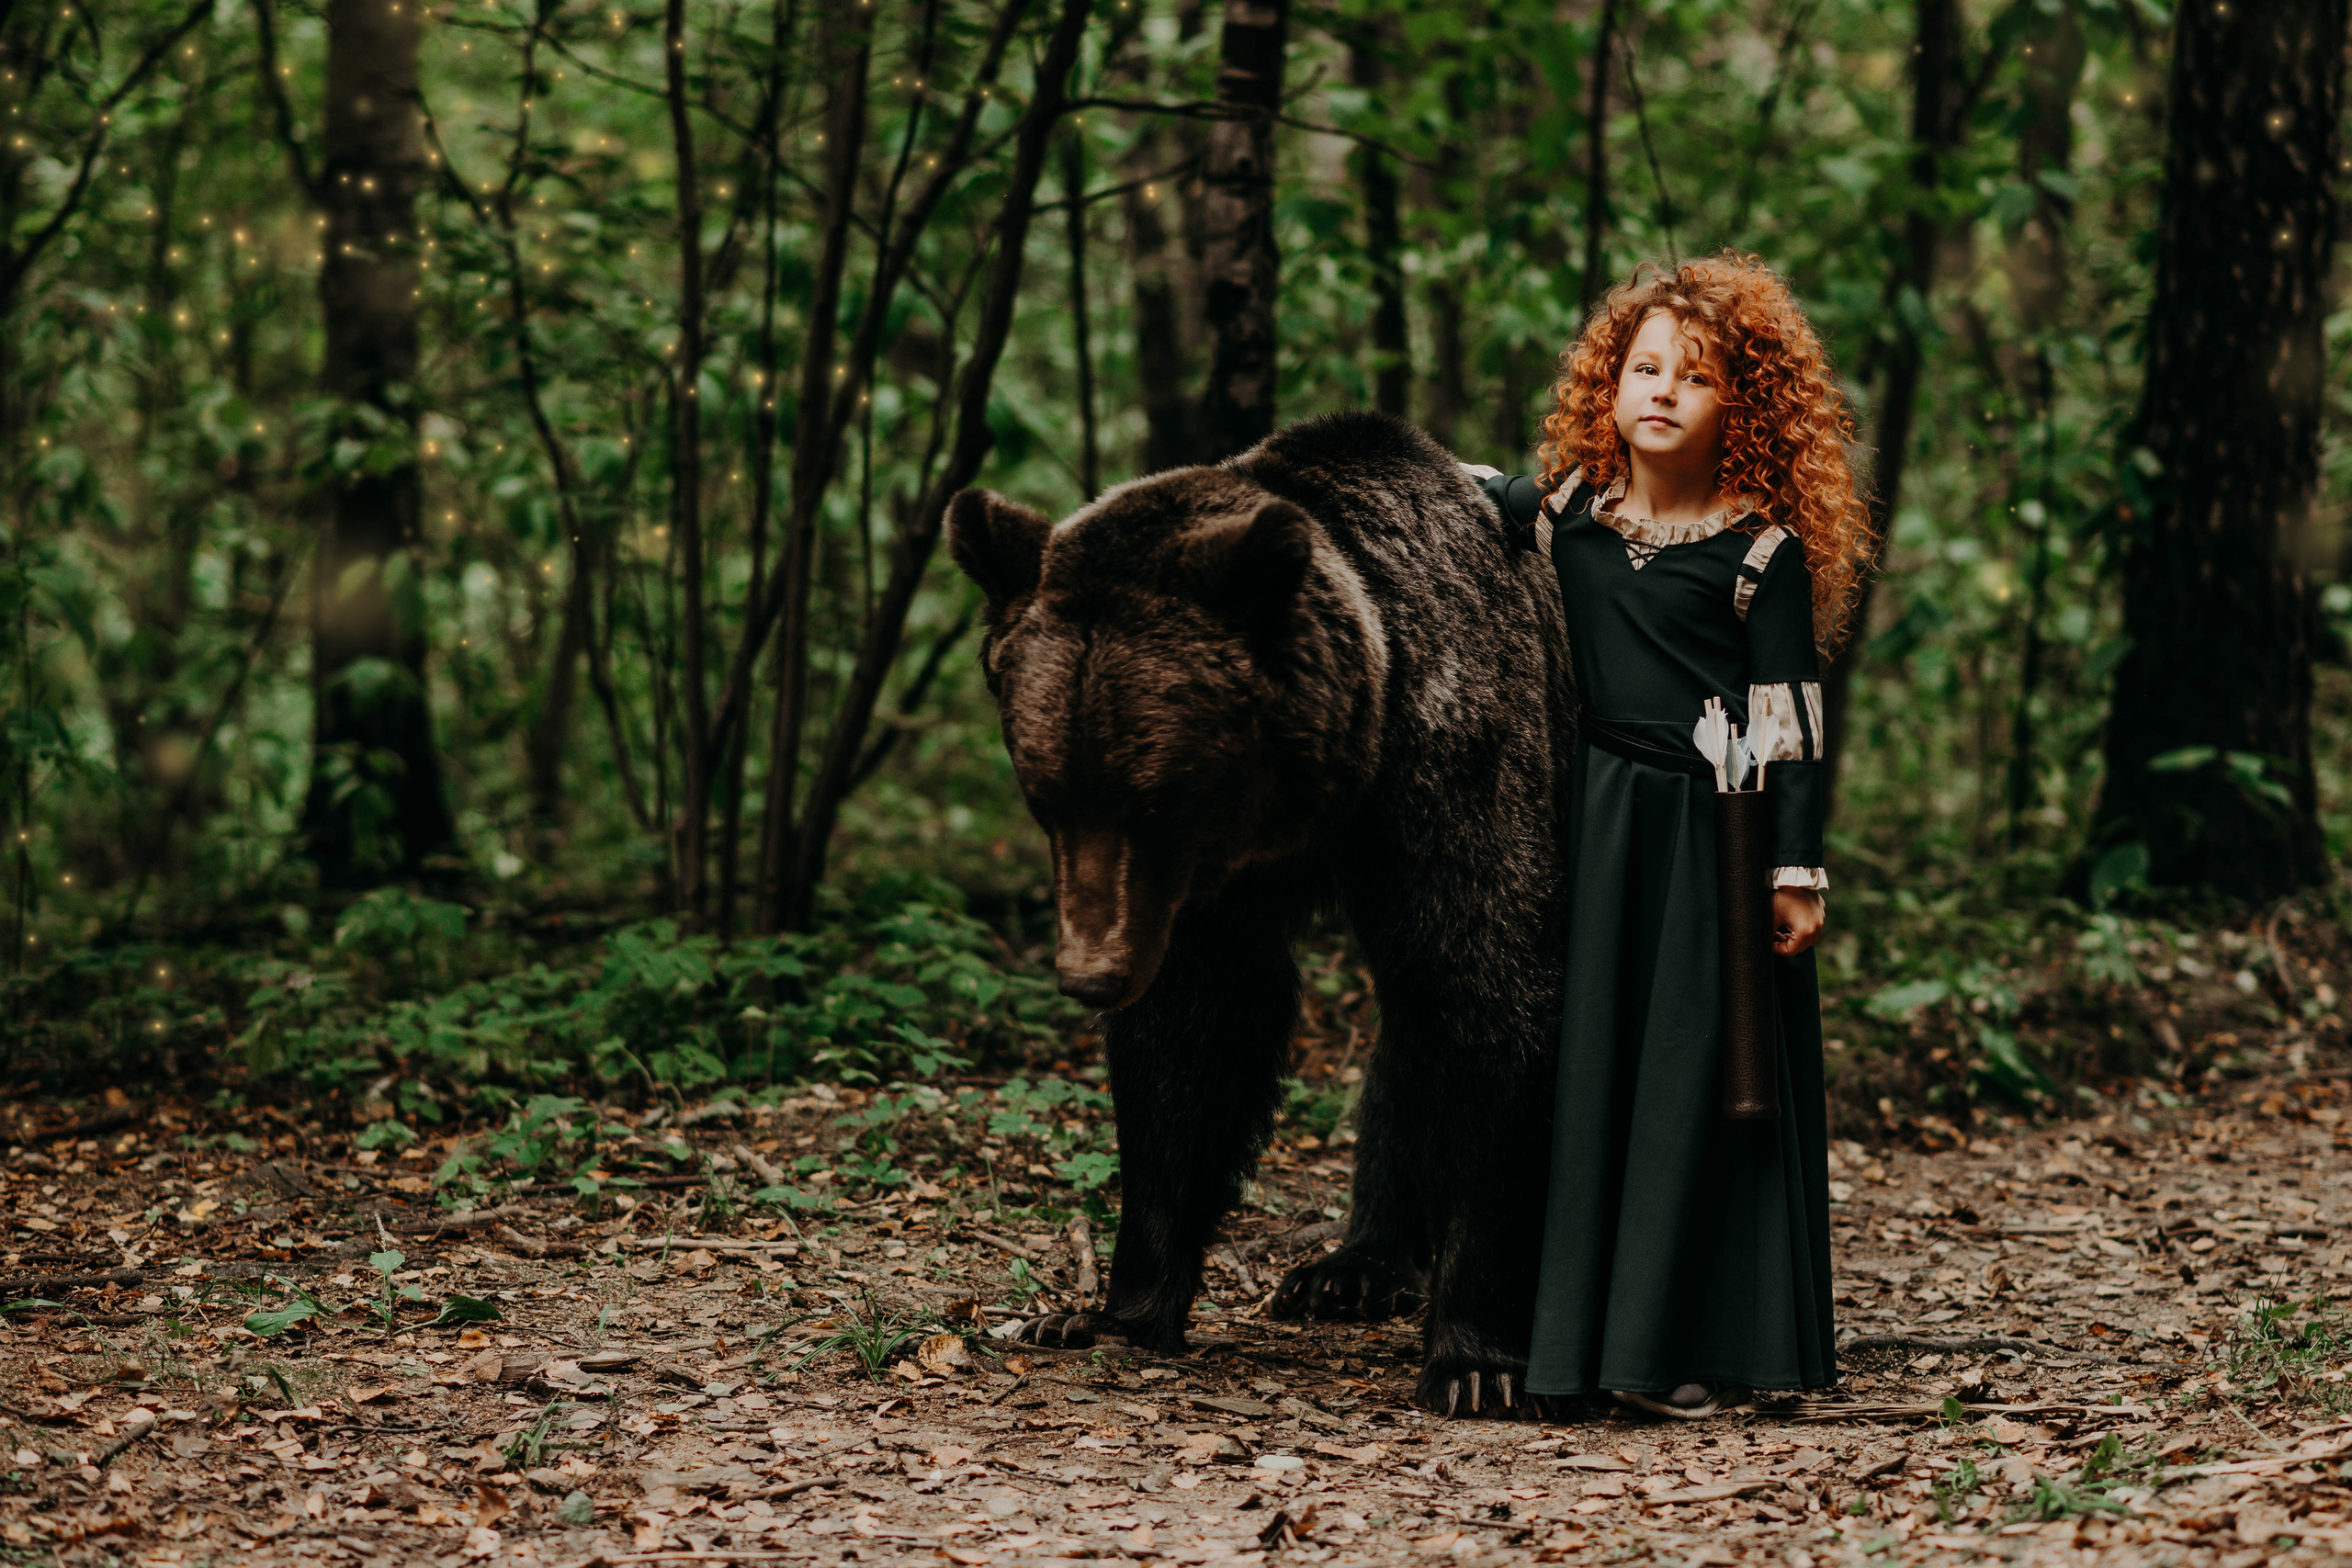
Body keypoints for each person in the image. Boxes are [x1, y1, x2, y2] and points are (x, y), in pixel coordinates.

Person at [1474, 253, 1871, 1419]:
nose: (1661, 392)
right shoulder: (1570, 517)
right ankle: (1576, 1348)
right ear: (1608, 385)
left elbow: (1787, 724)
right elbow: (1471, 494)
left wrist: (1793, 873)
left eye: (1694, 377)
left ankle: (1675, 1348)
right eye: (1642, 369)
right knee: (1595, 1073)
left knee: (1700, 1075)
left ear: (1743, 409)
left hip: (1714, 841)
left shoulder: (1760, 556)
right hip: (1595, 832)